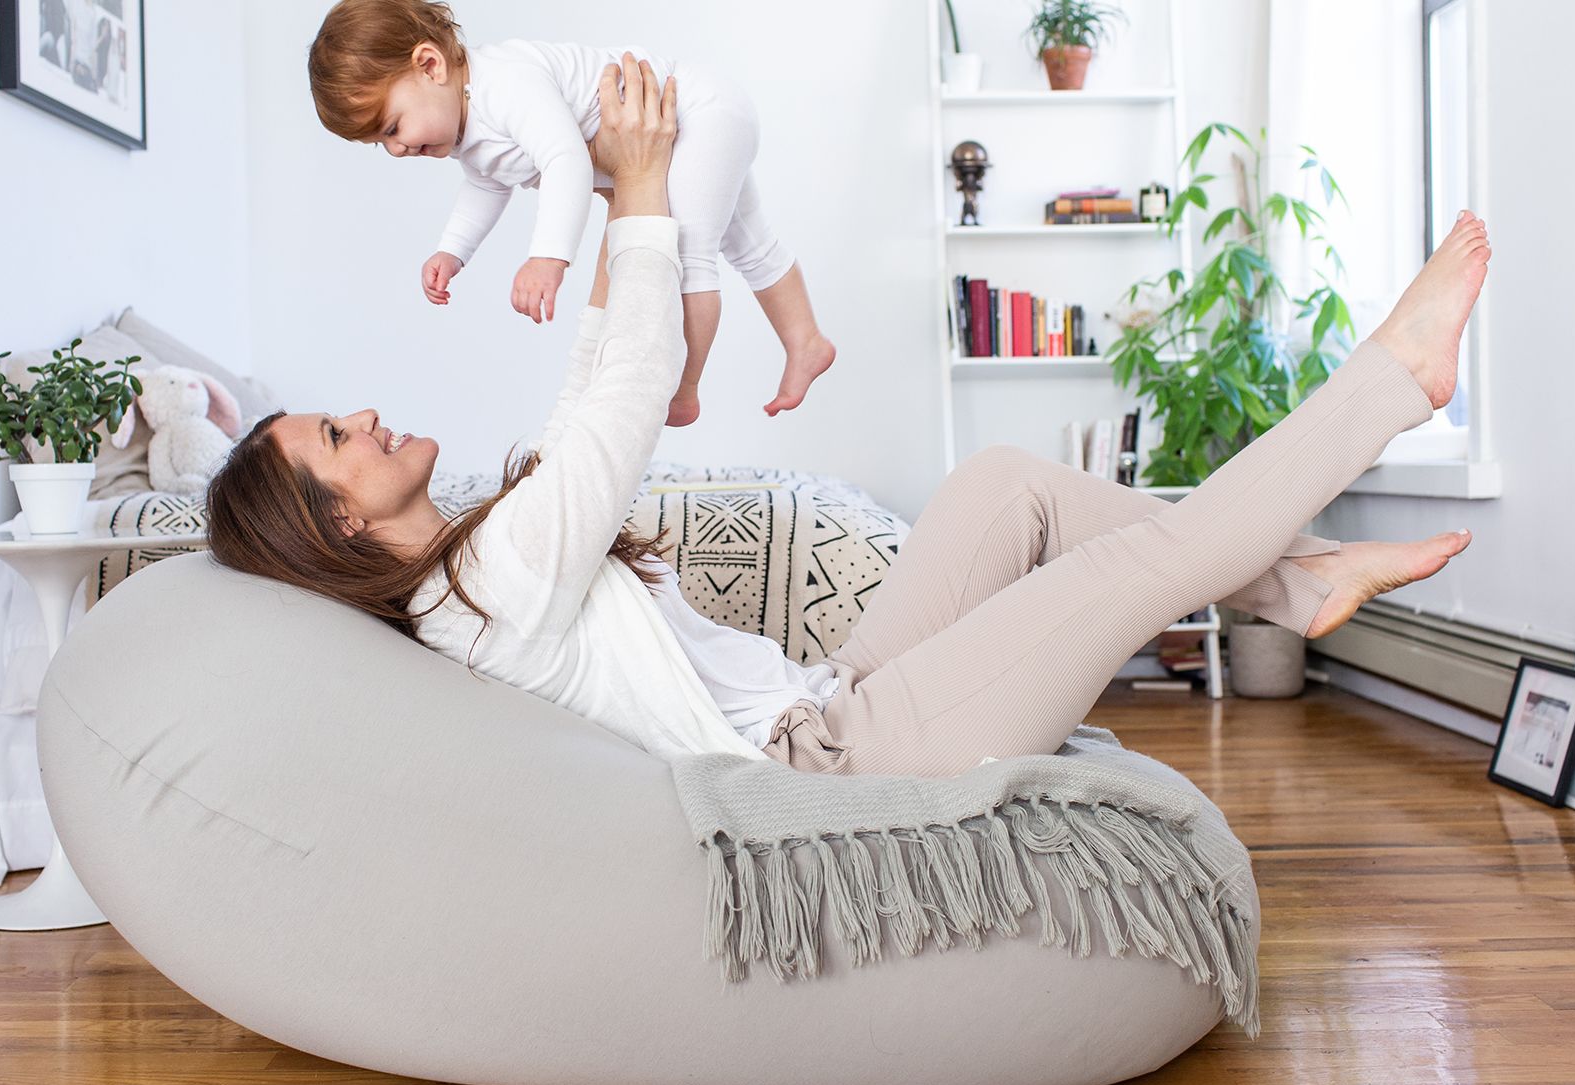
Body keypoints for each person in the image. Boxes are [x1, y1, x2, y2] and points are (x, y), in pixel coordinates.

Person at [206, 54, 1489, 780]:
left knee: (1007, 484)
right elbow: (628, 395)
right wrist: (642, 188)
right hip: (832, 764)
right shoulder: (484, 580)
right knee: (1129, 565)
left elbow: (591, 389)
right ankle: (1390, 379)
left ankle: (1291, 583)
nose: (360, 415)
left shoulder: (482, 562)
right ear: (334, 522)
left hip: (832, 694)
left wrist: (629, 208)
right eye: (332, 436)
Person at [306, 0, 836, 427]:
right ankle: (806, 341)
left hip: (698, 112)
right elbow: (484, 187)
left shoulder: (504, 84)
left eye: (393, 127)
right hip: (701, 120)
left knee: (689, 254)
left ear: (430, 65)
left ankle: (685, 388)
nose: (396, 150)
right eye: (379, 143)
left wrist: (548, 259)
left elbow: (567, 163)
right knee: (748, 243)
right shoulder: (469, 134)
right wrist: (453, 251)